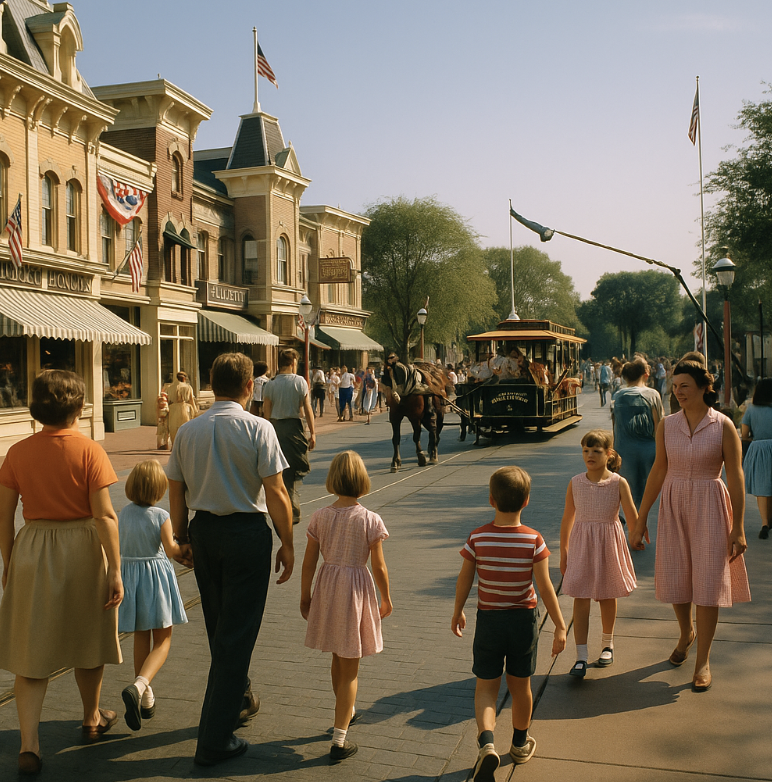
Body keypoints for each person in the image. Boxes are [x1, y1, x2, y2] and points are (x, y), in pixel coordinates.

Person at [166, 352, 294, 766]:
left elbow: (175, 492)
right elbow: (275, 492)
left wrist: (181, 536)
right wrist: (287, 542)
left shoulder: (187, 431)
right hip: (245, 535)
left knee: (220, 623)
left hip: (205, 532)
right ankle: (213, 739)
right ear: (249, 386)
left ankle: (237, 697)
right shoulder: (259, 428)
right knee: (237, 634)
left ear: (210, 382)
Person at [0, 370, 123, 775]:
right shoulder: (89, 450)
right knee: (90, 635)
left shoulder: (17, 452)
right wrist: (116, 569)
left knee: (31, 649)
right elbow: (105, 515)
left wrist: (8, 562)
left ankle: (29, 745)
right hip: (83, 547)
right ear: (79, 406)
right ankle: (91, 718)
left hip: (34, 547)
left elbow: (4, 518)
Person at [631, 360, 750, 692]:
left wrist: (737, 527)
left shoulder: (724, 425)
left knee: (709, 583)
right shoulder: (666, 425)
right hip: (674, 505)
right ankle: (686, 632)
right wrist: (640, 521)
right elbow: (658, 471)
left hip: (711, 504)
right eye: (675, 385)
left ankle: (703, 661)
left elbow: (736, 477)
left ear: (702, 388)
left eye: (684, 385)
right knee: (677, 576)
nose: (677, 391)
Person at [451, 466, 567, 777]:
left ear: (491, 499)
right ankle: (518, 744)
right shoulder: (533, 540)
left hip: (489, 620)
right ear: (527, 501)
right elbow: (544, 587)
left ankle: (486, 743)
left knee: (486, 688)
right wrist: (559, 623)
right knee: (520, 686)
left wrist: (458, 609)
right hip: (522, 622)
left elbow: (465, 579)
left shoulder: (477, 538)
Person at [301, 451, 392, 763]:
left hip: (328, 587)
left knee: (338, 657)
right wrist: (386, 597)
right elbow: (378, 566)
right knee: (351, 663)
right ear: (362, 481)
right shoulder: (370, 519)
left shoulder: (319, 516)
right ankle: (340, 738)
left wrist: (305, 594)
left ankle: (347, 709)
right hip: (355, 590)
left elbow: (309, 561)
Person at [560, 430, 637, 677]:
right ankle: (581, 656)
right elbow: (567, 518)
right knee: (580, 597)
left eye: (596, 451)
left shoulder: (618, 482)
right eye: (585, 451)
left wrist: (637, 535)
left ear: (609, 454)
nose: (589, 455)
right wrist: (563, 550)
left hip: (608, 544)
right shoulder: (575, 482)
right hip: (582, 545)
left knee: (607, 595)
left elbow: (632, 514)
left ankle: (607, 644)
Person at [118, 460, 187, 732]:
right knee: (163, 638)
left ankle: (145, 698)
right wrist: (187, 547)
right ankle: (139, 685)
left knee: (140, 635)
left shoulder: (123, 513)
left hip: (130, 576)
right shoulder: (160, 515)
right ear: (159, 488)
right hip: (155, 577)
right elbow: (170, 550)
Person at [263, 349, 316, 525]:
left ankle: (285, 506)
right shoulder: (300, 382)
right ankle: (292, 508)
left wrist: (266, 434)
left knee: (279, 469)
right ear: (293, 362)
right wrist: (313, 432)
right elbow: (307, 408)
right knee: (293, 469)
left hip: (276, 428)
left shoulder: (270, 384)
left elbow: (267, 412)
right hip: (295, 428)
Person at [611, 358, 664, 509]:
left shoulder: (618, 395)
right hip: (650, 449)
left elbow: (615, 426)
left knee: (630, 492)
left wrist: (614, 449)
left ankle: (633, 525)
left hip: (624, 449)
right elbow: (658, 424)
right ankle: (642, 522)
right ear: (646, 374)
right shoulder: (652, 394)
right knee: (648, 492)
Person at [741, 378, 772, 539]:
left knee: (762, 487)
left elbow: (744, 434)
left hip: (759, 448)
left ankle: (765, 523)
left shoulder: (751, 410)